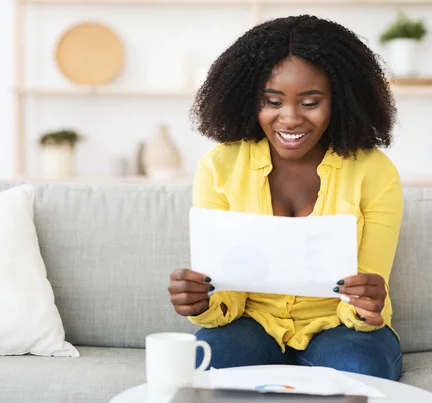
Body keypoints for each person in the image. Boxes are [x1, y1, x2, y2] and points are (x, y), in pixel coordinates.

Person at [168, 14, 403, 380]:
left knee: (360, 368)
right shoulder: (220, 167)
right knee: (201, 366)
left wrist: (368, 303)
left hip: (339, 327)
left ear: (339, 101)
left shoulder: (374, 171)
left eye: (310, 103)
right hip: (251, 323)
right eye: (272, 101)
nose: (289, 118)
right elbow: (224, 294)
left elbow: (367, 291)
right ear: (249, 101)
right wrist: (201, 302)